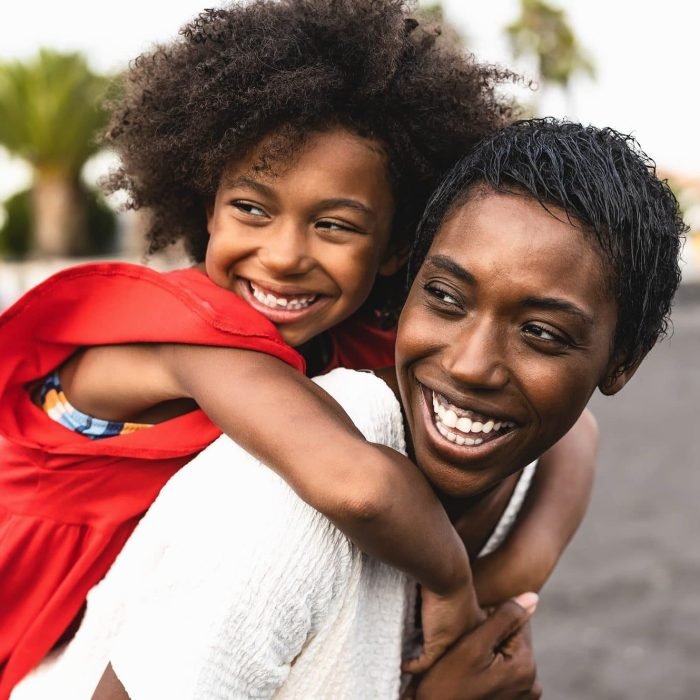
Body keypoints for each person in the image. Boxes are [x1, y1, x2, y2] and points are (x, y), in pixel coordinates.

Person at [0, 3, 592, 694]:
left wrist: (524, 566)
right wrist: (455, 586)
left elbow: (576, 428)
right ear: (205, 203)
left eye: (334, 225)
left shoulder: (330, 337)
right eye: (251, 209)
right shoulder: (185, 334)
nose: (282, 257)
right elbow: (363, 488)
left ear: (397, 246)